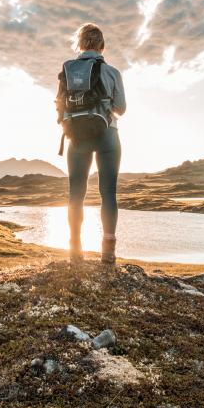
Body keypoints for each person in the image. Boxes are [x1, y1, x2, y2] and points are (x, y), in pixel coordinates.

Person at [58, 23, 126, 265]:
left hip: (76, 136)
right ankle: (108, 252)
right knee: (108, 192)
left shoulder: (67, 68)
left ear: (80, 44)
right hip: (107, 132)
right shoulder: (113, 72)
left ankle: (75, 250)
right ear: (101, 45)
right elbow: (121, 108)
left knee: (76, 194)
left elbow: (61, 103)